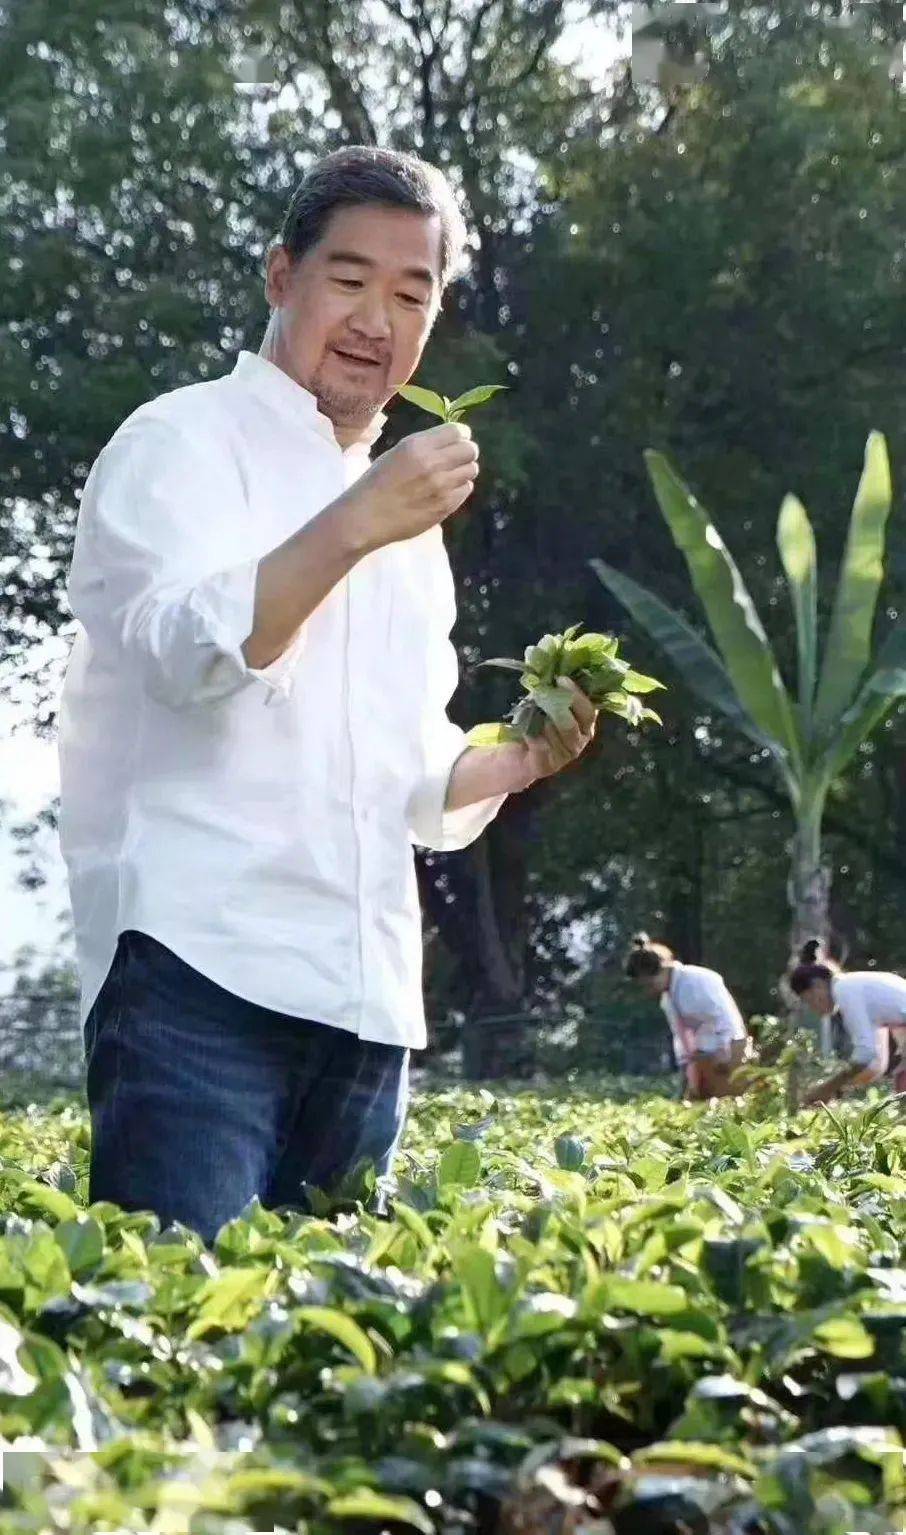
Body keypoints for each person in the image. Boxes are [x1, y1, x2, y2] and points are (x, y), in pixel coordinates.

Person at [58, 146, 598, 1243]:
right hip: (196, 982)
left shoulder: (400, 522)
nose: (375, 319)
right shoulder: (178, 441)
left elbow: (406, 774)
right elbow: (184, 654)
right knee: (173, 1352)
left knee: (320, 1367)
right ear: (279, 275)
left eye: (412, 293)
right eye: (348, 280)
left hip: (365, 1010)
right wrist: (359, 522)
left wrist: (519, 755)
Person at [625, 934, 751, 1099]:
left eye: (650, 983)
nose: (649, 990)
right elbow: (680, 1036)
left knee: (728, 1105)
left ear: (663, 969)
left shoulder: (696, 980)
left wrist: (724, 1049)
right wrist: (686, 1068)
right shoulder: (668, 999)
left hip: (728, 1049)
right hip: (703, 1055)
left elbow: (724, 1016)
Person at [788, 940, 906, 1105]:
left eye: (809, 1000)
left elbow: (865, 1054)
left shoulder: (844, 989)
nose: (814, 1009)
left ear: (818, 986)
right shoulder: (859, 991)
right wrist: (837, 1091)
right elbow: (875, 1064)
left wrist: (827, 1087)